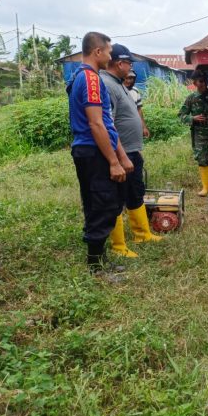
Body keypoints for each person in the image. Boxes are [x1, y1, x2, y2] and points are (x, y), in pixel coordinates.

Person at [67, 32, 133, 277]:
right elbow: (97, 124)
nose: (110, 55)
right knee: (102, 205)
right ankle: (96, 267)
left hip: (89, 150)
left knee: (99, 203)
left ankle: (100, 260)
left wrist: (121, 156)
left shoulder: (79, 76)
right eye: (108, 51)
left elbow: (105, 121)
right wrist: (114, 162)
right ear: (97, 52)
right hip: (94, 152)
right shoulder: (91, 79)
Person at [100, 44, 163, 258]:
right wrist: (119, 157)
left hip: (132, 151)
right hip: (122, 154)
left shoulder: (120, 85)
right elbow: (107, 124)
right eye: (129, 63)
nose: (131, 67)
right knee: (117, 198)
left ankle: (142, 233)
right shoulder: (107, 85)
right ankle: (118, 246)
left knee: (135, 191)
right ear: (120, 63)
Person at [123, 70, 149, 139]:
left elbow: (139, 109)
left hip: (134, 126)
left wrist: (144, 127)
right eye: (126, 78)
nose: (128, 81)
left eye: (131, 78)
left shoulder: (135, 91)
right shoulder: (117, 89)